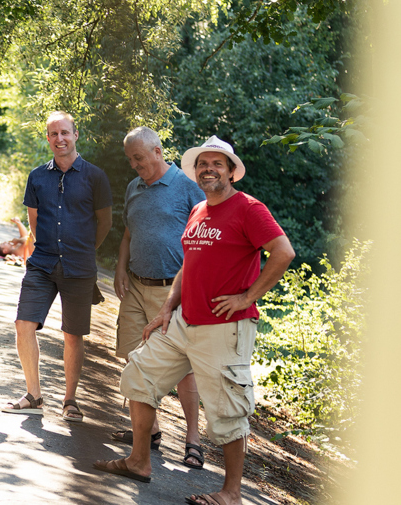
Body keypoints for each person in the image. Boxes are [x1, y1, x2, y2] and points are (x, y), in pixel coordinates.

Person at [93, 136, 295, 505]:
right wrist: (168, 307)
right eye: (203, 164)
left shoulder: (249, 208)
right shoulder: (199, 210)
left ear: (232, 171)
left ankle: (231, 493)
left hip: (225, 326)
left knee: (229, 411)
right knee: (139, 374)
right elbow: (190, 263)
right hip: (185, 320)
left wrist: (248, 297)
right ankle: (139, 461)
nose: (208, 170)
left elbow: (283, 252)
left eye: (217, 164)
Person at [2, 111, 112, 422]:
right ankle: (33, 394)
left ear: (76, 135)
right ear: (48, 138)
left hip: (79, 267)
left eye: (65, 132)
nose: (59, 139)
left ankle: (70, 399)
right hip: (42, 264)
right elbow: (33, 222)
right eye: (54, 134)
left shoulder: (95, 177)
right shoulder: (37, 177)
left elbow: (105, 222)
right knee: (24, 324)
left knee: (72, 334)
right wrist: (51, 246)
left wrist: (84, 250)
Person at [110, 126, 206, 468]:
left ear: (157, 151)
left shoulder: (187, 187)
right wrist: (121, 268)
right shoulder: (134, 188)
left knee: (182, 368)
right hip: (135, 285)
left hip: (173, 291)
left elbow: (207, 237)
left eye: (139, 158)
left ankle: (193, 440)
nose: (135, 165)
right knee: (133, 358)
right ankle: (149, 433)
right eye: (130, 160)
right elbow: (128, 232)